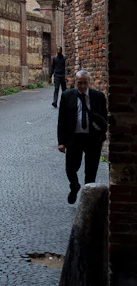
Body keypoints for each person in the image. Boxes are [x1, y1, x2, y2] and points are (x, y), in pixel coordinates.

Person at [57, 69, 108, 204]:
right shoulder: (67, 96)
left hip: (92, 139)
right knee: (70, 168)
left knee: (91, 171)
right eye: (80, 83)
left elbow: (104, 119)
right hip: (74, 138)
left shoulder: (98, 97)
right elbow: (61, 120)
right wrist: (61, 142)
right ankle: (74, 186)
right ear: (75, 83)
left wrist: (101, 136)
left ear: (89, 82)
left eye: (85, 83)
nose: (83, 86)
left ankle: (87, 199)